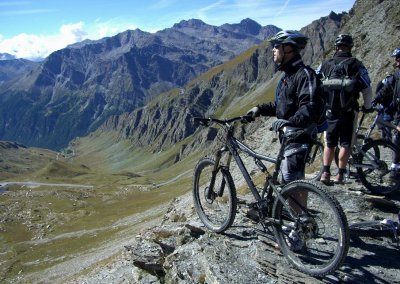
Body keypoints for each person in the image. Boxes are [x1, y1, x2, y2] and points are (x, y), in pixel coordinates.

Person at [317, 34, 373, 184]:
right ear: (350, 47)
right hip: (349, 111)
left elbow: (315, 84)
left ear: (336, 47)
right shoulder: (356, 64)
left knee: (329, 143)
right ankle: (340, 174)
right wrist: (368, 107)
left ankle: (325, 172)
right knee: (346, 143)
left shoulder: (325, 64)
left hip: (330, 111)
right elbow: (367, 88)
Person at [373, 48, 400, 178]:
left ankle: (395, 167)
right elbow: (386, 89)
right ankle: (395, 167)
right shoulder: (396, 75)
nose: (396, 61)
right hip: (397, 112)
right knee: (396, 137)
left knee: (397, 137)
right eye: (396, 58)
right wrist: (376, 99)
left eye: (398, 58)